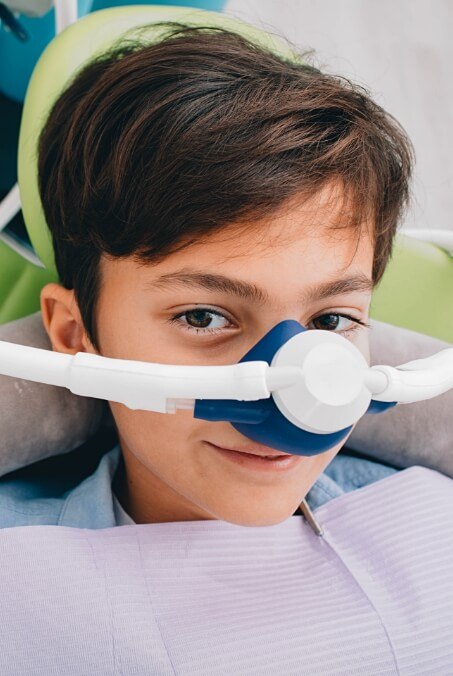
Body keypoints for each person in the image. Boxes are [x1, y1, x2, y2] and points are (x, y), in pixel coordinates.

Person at [0, 22, 415, 529]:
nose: (288, 393)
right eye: (203, 317)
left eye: (329, 321)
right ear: (73, 330)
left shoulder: (430, 528)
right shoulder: (17, 571)